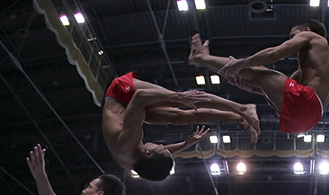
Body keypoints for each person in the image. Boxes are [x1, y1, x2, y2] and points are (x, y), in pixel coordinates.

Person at [189, 19, 329, 135]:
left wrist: (242, 63)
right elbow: (279, 91)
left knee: (255, 70)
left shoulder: (312, 36)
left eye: (293, 36)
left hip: (307, 105)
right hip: (308, 120)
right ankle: (204, 59)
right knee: (257, 74)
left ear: (306, 29)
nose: (291, 40)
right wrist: (249, 86)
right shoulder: (311, 69)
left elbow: (275, 53)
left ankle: (200, 58)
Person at [101, 73, 259, 179]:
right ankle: (239, 119)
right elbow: (164, 153)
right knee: (179, 117)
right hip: (130, 109)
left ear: (148, 153)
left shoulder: (128, 142)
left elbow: (140, 97)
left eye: (161, 147)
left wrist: (179, 97)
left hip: (120, 94)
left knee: (182, 100)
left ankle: (242, 108)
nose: (162, 145)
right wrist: (186, 144)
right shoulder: (138, 163)